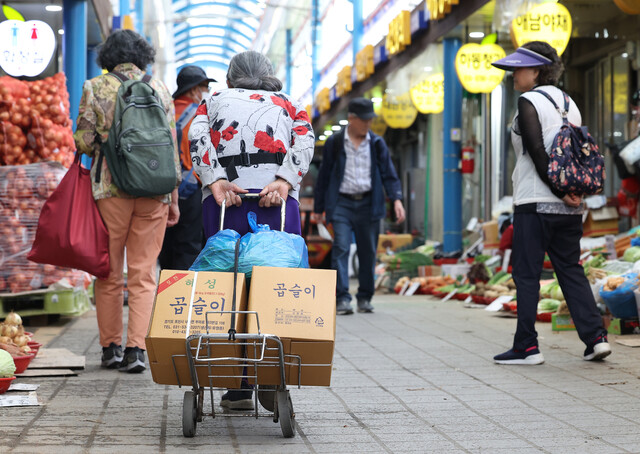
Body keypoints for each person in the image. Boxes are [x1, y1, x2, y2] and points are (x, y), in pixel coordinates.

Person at [188, 50, 314, 409]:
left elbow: (197, 138)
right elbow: (305, 140)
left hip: (226, 204)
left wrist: (215, 181)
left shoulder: (213, 101)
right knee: (276, 285)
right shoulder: (290, 104)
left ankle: (237, 383)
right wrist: (284, 181)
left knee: (227, 286)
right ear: (269, 73)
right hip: (277, 205)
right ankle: (272, 378)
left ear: (231, 77)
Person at [491, 41, 610, 365]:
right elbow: (574, 155)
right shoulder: (570, 103)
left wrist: (558, 191)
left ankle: (527, 346)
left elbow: (538, 153)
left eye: (520, 68)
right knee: (570, 270)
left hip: (535, 203)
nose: (515, 75)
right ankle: (596, 338)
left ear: (537, 70)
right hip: (568, 207)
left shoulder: (528, 100)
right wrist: (571, 194)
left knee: (526, 274)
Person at [74, 30, 181, 373]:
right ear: (142, 55)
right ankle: (136, 350)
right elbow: (171, 151)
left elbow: (84, 142)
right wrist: (173, 199)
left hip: (111, 190)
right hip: (155, 191)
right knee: (144, 273)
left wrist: (108, 143)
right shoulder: (160, 88)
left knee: (109, 272)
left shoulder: (95, 87)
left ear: (108, 55)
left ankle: (110, 349)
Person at [312, 97, 405, 315]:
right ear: (351, 119)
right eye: (364, 120)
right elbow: (324, 177)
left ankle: (365, 297)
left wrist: (397, 199)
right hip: (342, 203)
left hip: (369, 203)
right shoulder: (334, 143)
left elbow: (389, 175)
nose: (368, 124)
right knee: (341, 247)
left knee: (368, 252)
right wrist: (318, 209)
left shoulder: (376, 143)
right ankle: (342, 298)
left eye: (370, 120)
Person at [158, 66, 215, 270]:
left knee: (164, 246)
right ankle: (181, 297)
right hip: (191, 192)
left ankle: (164, 292)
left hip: (161, 188)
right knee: (189, 246)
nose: (206, 92)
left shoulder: (163, 111)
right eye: (204, 87)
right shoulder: (200, 116)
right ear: (192, 90)